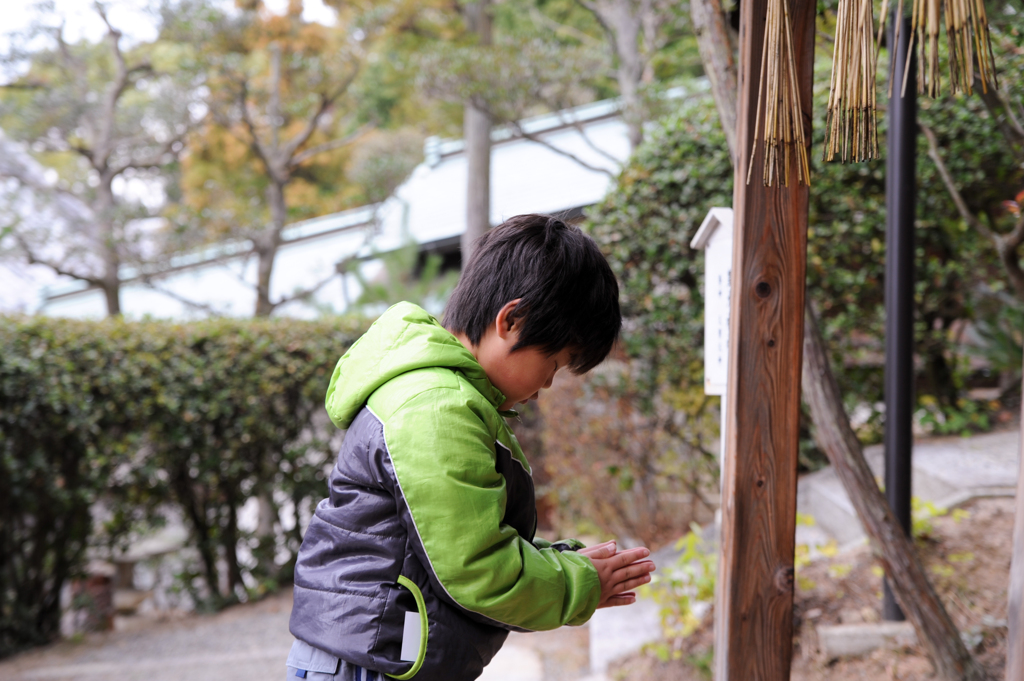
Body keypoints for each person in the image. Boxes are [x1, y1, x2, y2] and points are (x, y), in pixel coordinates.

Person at [286, 214, 656, 681]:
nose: (547, 384)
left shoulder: (446, 398)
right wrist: (576, 583)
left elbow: (464, 537)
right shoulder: (435, 409)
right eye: (555, 363)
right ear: (512, 320)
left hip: (376, 655)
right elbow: (476, 568)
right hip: (372, 664)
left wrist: (561, 561)